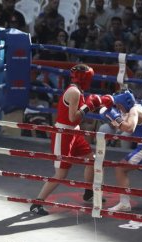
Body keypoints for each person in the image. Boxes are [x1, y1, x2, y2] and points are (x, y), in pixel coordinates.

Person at [29, 64, 113, 215]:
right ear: (85, 78)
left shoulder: (78, 91)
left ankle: (88, 192)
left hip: (74, 132)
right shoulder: (74, 92)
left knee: (92, 160)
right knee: (61, 174)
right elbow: (72, 118)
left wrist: (94, 106)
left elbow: (77, 119)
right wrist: (88, 107)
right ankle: (37, 203)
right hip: (64, 134)